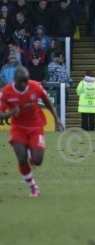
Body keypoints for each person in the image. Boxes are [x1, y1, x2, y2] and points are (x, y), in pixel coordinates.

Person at [0, 66, 63, 197]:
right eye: (22, 81)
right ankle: (33, 186)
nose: (25, 84)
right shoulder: (6, 92)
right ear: (15, 80)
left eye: (26, 80)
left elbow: (48, 103)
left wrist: (57, 119)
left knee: (38, 160)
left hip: (36, 127)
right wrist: (11, 113)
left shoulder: (35, 87)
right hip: (18, 128)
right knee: (21, 158)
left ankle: (31, 153)